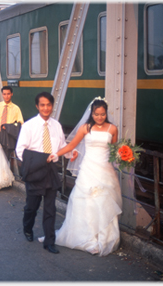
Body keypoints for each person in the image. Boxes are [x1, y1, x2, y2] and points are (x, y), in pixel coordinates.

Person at [43, 97, 122, 256]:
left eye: (102, 114)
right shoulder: (85, 128)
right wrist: (55, 154)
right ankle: (88, 238)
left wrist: (124, 155)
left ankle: (103, 239)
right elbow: (71, 145)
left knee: (103, 202)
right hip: (88, 168)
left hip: (105, 170)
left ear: (106, 113)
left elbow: (115, 150)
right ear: (91, 113)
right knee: (86, 203)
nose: (99, 118)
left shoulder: (112, 129)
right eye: (96, 114)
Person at [15, 92, 77, 254]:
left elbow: (61, 145)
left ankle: (49, 241)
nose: (46, 108)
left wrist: (71, 153)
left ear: (52, 106)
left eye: (49, 105)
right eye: (42, 105)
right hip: (35, 171)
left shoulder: (56, 125)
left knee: (50, 208)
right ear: (37, 106)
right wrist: (35, 163)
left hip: (51, 171)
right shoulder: (29, 126)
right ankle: (27, 227)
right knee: (31, 206)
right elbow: (20, 150)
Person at [0, 86, 24, 160]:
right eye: (4, 94)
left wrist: (9, 127)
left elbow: (21, 123)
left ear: (12, 94)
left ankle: (4, 170)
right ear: (2, 94)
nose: (6, 96)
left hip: (8, 134)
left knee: (6, 156)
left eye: (8, 94)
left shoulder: (16, 108)